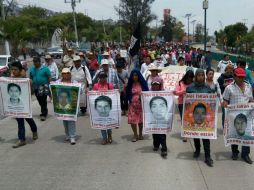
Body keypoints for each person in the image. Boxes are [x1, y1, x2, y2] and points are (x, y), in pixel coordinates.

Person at [223, 67, 253, 164]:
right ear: (234, 76)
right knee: (235, 134)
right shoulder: (229, 88)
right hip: (234, 116)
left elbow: (251, 100)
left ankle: (245, 154)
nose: (241, 79)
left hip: (246, 116)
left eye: (242, 77)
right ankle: (235, 152)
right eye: (239, 77)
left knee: (246, 134)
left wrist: (252, 104)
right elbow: (225, 101)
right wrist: (225, 105)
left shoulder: (248, 86)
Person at [186, 68, 215, 167]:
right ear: (195, 76)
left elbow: (211, 103)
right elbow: (188, 103)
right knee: (196, 135)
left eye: (202, 75)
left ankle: (208, 156)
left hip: (204, 116)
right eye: (199, 75)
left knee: (206, 136)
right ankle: (197, 150)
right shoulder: (190, 88)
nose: (201, 77)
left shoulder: (208, 88)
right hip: (194, 116)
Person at [10, 61, 38, 148]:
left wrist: (27, 80)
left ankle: (34, 131)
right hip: (16, 105)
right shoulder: (10, 79)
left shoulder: (25, 79)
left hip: (25, 104)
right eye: (12, 69)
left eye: (16, 69)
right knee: (20, 122)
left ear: (20, 70)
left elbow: (31, 86)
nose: (14, 71)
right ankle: (22, 139)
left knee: (29, 119)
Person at [55, 68, 78, 145]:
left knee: (71, 120)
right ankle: (67, 135)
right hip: (62, 105)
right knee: (64, 120)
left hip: (71, 105)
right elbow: (52, 89)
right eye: (64, 73)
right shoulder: (58, 82)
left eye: (67, 73)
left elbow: (80, 90)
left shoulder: (74, 82)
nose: (66, 75)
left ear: (70, 74)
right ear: (62, 74)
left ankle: (72, 136)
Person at [126, 69, 149, 142]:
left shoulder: (143, 83)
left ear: (139, 75)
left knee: (140, 120)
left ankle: (140, 134)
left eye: (136, 75)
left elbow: (147, 92)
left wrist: (141, 96)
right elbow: (127, 94)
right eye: (133, 75)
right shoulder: (130, 84)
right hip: (132, 105)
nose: (134, 77)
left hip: (141, 105)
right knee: (132, 120)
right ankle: (135, 134)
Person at [93, 71, 114, 145]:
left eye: (104, 77)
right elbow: (93, 97)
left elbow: (113, 96)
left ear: (106, 77)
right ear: (99, 78)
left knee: (108, 122)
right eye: (101, 77)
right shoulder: (96, 86)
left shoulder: (110, 85)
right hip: (100, 107)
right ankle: (104, 138)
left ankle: (110, 135)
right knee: (101, 123)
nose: (103, 78)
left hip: (107, 107)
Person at [175, 69, 194, 142]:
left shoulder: (193, 84)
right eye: (188, 78)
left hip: (191, 104)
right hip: (181, 103)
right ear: (186, 77)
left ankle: (190, 132)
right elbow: (176, 92)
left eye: (191, 78)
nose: (189, 80)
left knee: (191, 119)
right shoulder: (180, 83)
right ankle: (184, 134)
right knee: (184, 119)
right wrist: (183, 92)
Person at [150, 77, 168, 158]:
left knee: (162, 133)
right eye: (153, 84)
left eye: (157, 84)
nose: (155, 86)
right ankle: (156, 145)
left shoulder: (164, 93)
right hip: (153, 117)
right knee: (154, 132)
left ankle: (164, 149)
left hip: (162, 118)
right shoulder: (149, 93)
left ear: (160, 85)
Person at [29, 56, 51, 121]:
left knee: (43, 100)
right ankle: (45, 110)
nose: (35, 63)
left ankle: (43, 114)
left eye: (36, 61)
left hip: (44, 86)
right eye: (34, 62)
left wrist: (49, 85)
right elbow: (30, 77)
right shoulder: (32, 69)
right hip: (36, 87)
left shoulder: (45, 68)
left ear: (39, 61)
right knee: (39, 100)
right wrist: (30, 82)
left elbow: (49, 77)